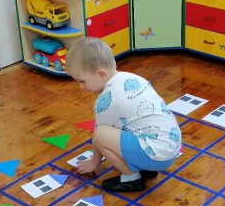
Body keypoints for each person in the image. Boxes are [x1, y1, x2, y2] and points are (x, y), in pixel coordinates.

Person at [66, 37, 181, 192]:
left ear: (101, 74)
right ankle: (145, 168)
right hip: (171, 147)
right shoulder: (132, 78)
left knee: (100, 134)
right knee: (125, 127)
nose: (81, 87)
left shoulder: (106, 100)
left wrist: (94, 163)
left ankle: (132, 179)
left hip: (156, 156)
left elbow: (99, 137)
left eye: (82, 81)